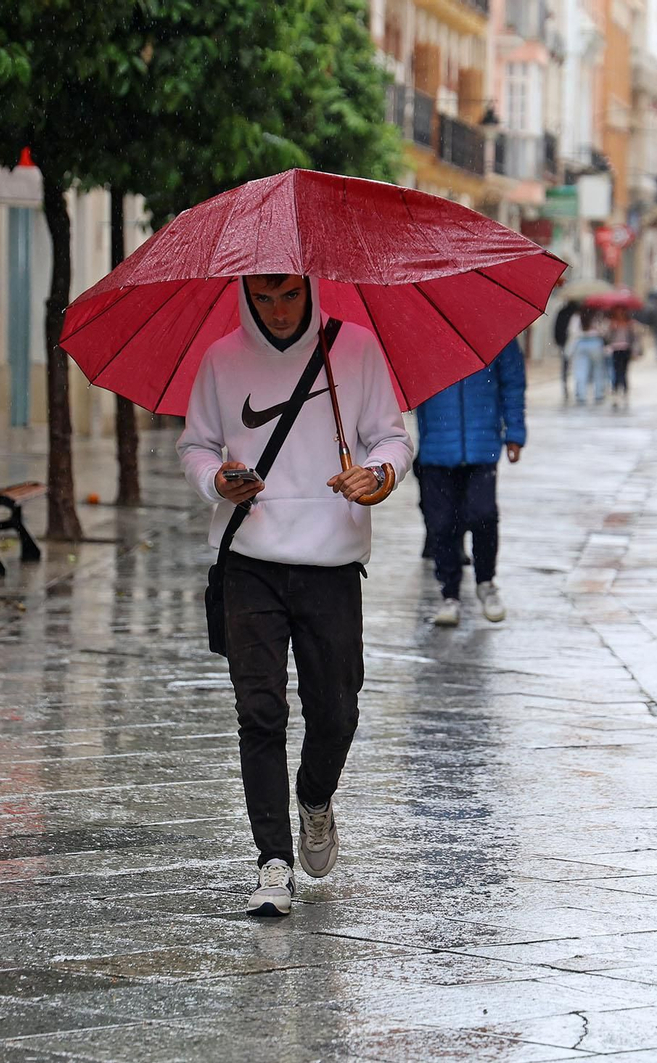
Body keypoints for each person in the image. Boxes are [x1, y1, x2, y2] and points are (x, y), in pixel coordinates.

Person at [178, 273, 414, 917]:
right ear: (246, 296)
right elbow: (196, 445)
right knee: (259, 711)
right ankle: (272, 862)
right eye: (264, 298)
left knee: (336, 711)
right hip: (249, 560)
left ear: (309, 290)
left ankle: (315, 797)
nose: (278, 311)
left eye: (289, 296)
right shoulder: (222, 360)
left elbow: (393, 437)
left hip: (331, 562)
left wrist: (381, 472)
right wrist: (215, 480)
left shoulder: (357, 349)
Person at [413, 340, 527, 628]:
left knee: (484, 514)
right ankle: (449, 593)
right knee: (441, 524)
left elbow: (513, 382)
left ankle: (486, 581)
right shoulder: (422, 337)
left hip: (482, 446)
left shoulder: (495, 333)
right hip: (436, 448)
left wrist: (514, 431)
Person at [574, 307, 608, 406]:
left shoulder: (577, 316)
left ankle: (581, 395)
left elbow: (573, 330)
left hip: (581, 343)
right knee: (598, 369)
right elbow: (604, 331)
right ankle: (598, 394)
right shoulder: (598, 316)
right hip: (595, 343)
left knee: (581, 370)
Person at [607, 308, 636, 410]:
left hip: (625, 350)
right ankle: (615, 391)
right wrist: (612, 329)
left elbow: (632, 338)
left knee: (623, 371)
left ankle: (624, 391)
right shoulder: (613, 324)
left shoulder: (629, 324)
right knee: (616, 371)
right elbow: (608, 337)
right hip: (615, 349)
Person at [552, 297, 581, 401]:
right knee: (578, 365)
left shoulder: (562, 312)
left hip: (564, 342)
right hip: (576, 342)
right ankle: (578, 387)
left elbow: (556, 327)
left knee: (565, 365)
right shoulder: (580, 312)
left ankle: (565, 385)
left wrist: (558, 340)